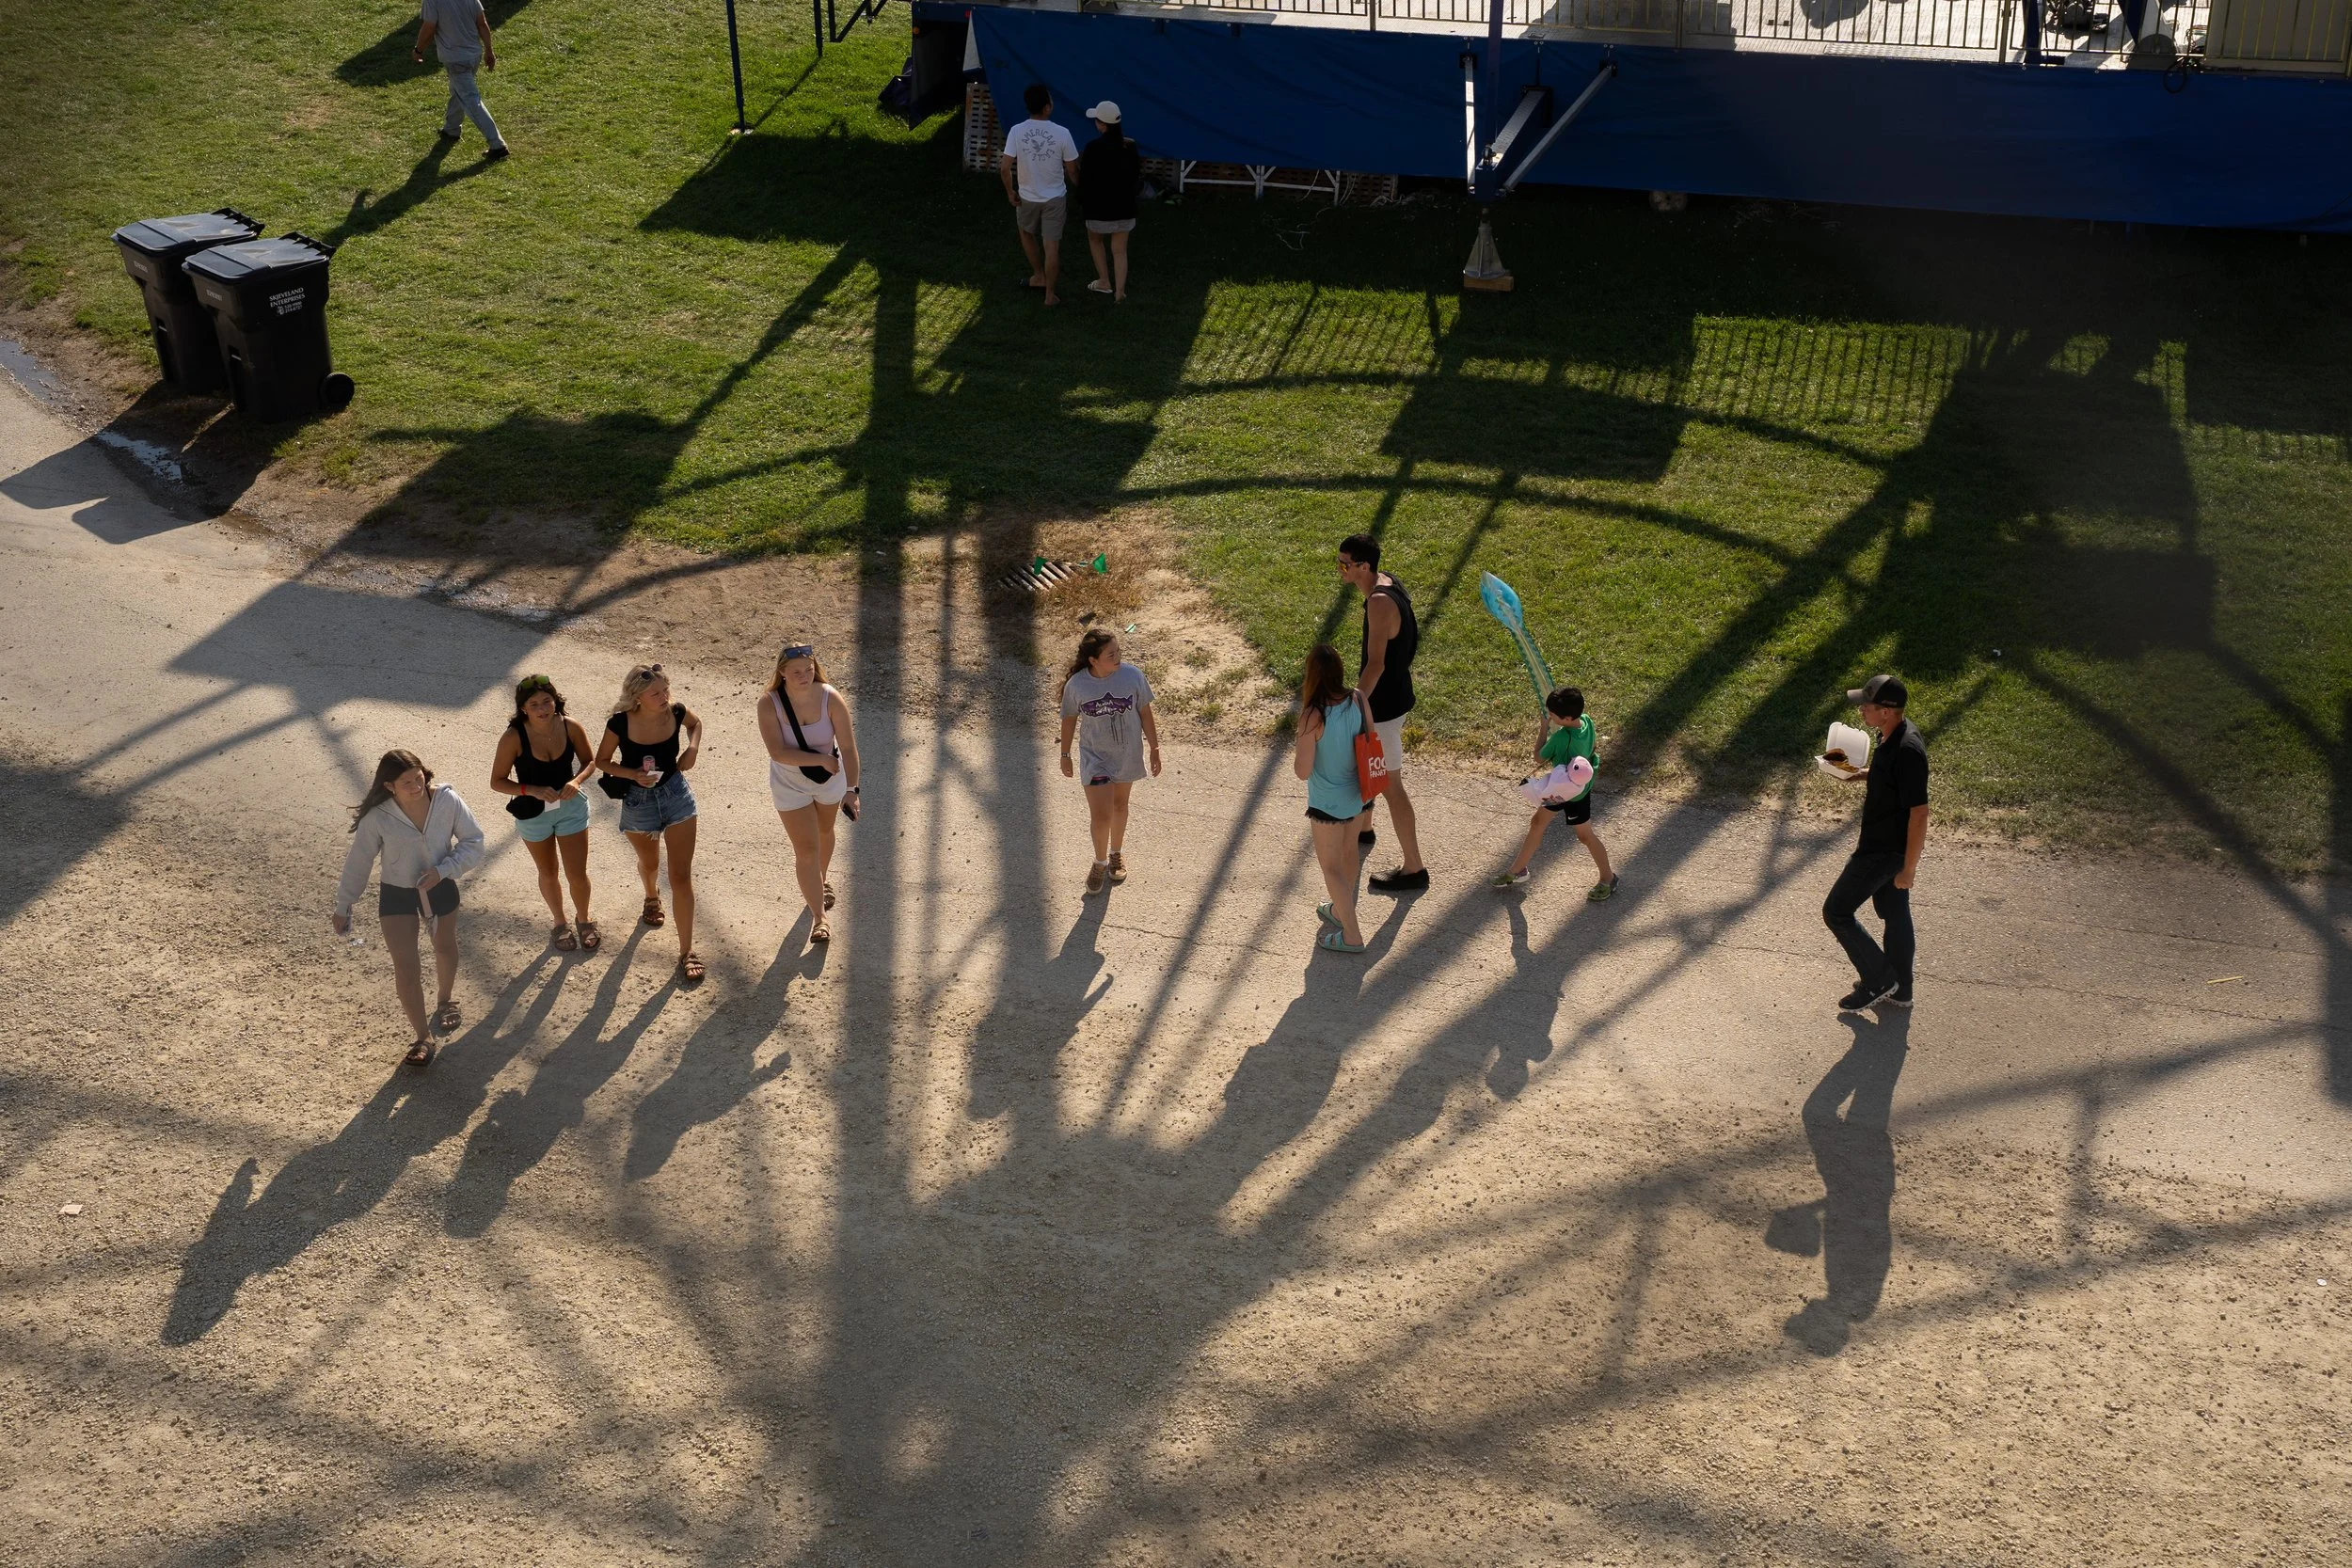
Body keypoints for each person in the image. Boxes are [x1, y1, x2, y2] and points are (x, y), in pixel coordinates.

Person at [332, 749, 486, 1072]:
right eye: (407, 783)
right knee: (405, 967)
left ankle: (445, 1000)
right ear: (389, 786)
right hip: (397, 894)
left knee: (444, 946)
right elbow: (359, 861)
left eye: (419, 778)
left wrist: (444, 870)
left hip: (440, 885)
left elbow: (474, 843)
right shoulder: (378, 817)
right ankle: (422, 1037)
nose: (417, 786)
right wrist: (344, 904)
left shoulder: (447, 800)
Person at [1823, 673, 1929, 1011]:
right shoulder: (1890, 735)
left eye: (1866, 706)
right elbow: (1892, 776)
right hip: (1884, 847)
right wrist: (1861, 773)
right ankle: (1901, 990)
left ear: (1886, 710)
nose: (1861, 712)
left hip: (1883, 851)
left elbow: (1920, 814)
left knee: (1837, 912)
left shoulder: (1908, 748)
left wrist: (1908, 869)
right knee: (1895, 914)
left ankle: (1879, 979)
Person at [595, 664, 707, 985]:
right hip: (637, 802)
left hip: (676, 796)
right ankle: (650, 895)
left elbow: (696, 724)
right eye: (655, 693)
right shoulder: (619, 723)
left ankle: (687, 951)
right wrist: (633, 775)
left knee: (681, 877)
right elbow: (601, 761)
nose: (664, 697)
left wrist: (693, 749)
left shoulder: (676, 711)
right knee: (649, 862)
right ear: (637, 698)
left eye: (665, 690)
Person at [1337, 533, 1427, 892]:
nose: (1340, 570)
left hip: (1384, 707)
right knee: (1367, 762)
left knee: (1392, 785)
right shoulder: (1389, 581)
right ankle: (1365, 828)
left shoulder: (1377, 601)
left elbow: (1375, 665)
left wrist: (1355, 703)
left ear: (1363, 566)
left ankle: (1414, 868)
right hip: (1394, 696)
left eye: (1345, 564)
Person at [756, 641, 862, 944]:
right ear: (782, 673)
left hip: (830, 780)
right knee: (806, 850)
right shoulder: (769, 703)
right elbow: (777, 752)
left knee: (825, 831)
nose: (805, 676)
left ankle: (821, 880)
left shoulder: (831, 698)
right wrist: (820, 758)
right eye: (797, 672)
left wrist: (852, 790)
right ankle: (820, 918)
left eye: (810, 669)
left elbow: (850, 749)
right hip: (789, 782)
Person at [489, 673, 599, 952]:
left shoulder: (571, 726)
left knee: (578, 874)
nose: (542, 709)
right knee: (548, 872)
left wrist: (576, 781)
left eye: (547, 701)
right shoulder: (513, 737)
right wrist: (532, 790)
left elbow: (589, 761)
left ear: (555, 701)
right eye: (534, 704)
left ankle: (584, 920)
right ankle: (559, 923)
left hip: (571, 808)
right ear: (523, 709)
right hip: (533, 815)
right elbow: (497, 781)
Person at [1057, 628, 1161, 893]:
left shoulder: (1133, 676)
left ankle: (1116, 853)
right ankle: (1100, 862)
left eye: (1119, 652)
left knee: (1119, 805)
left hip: (1127, 754)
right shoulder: (1078, 685)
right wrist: (1065, 754)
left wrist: (1154, 748)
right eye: (1111, 654)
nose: (1118, 658)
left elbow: (1145, 713)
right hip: (1095, 757)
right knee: (1102, 816)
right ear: (1093, 660)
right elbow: (1069, 719)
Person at [1492, 685, 1618, 899]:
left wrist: (1543, 728)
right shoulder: (1587, 721)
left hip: (1569, 794)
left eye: (1552, 715)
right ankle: (1517, 871)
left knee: (1585, 836)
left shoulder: (1562, 738)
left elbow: (1539, 757)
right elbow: (1593, 745)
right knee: (1537, 823)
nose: (1549, 716)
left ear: (1567, 718)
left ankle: (1608, 878)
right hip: (1567, 789)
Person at [1293, 643, 1372, 954]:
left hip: (1327, 803)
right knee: (1349, 853)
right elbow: (1370, 736)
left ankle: (1352, 935)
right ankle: (1340, 910)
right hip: (1358, 795)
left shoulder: (1313, 716)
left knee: (1331, 868)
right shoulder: (1358, 698)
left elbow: (1303, 771)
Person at [1000, 83, 1080, 306]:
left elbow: (1005, 168)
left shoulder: (1016, 131)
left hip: (1027, 196)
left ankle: (1039, 276)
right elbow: (1072, 168)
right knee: (1051, 245)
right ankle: (1049, 295)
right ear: (1047, 107)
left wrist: (1010, 192)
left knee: (1027, 234)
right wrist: (1079, 188)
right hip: (1055, 198)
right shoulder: (1063, 133)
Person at [411, 0, 509, 160]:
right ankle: (452, 128)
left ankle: (497, 144)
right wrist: (489, 50)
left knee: (470, 99)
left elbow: (429, 27)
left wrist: (418, 50)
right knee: (459, 91)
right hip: (473, 56)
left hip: (455, 59)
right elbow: (482, 23)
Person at [1078, 101, 1140, 302]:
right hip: (1125, 208)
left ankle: (1104, 281)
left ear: (1102, 124)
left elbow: (1085, 179)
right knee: (1120, 251)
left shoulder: (1093, 148)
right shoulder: (1130, 146)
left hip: (1098, 209)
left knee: (1095, 240)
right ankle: (1120, 292)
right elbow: (1135, 176)